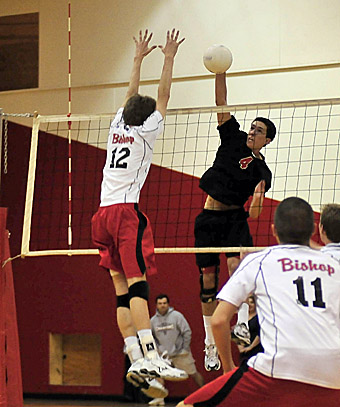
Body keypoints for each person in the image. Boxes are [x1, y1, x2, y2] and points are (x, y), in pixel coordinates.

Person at [91, 29, 186, 398]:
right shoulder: (148, 132)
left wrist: (138, 58)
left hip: (100, 215)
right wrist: (169, 56)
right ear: (146, 119)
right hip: (125, 215)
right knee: (136, 284)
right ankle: (149, 353)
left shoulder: (117, 125)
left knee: (119, 290)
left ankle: (134, 354)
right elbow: (162, 96)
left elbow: (132, 96)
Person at [177, 197, 340, 407]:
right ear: (313, 230)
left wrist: (228, 369)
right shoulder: (334, 264)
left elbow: (218, 321)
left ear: (273, 230)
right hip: (333, 371)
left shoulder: (260, 259)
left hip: (277, 367)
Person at [194, 71, 276, 370]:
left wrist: (256, 200)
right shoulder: (233, 138)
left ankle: (241, 324)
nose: (253, 132)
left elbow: (255, 215)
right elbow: (221, 102)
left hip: (234, 220)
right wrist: (220, 72)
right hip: (208, 219)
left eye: (259, 131)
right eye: (252, 127)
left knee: (235, 266)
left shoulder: (262, 172)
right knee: (208, 281)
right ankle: (209, 344)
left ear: (266, 140)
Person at [148, 294, 205, 406]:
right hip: (164, 354)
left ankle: (206, 394)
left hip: (180, 353)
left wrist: (184, 348)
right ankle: (159, 399)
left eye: (164, 303)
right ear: (156, 305)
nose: (162, 305)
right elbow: (151, 336)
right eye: (160, 303)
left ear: (168, 304)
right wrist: (157, 349)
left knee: (193, 373)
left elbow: (187, 332)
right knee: (157, 374)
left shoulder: (177, 316)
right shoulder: (153, 321)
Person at [236, 295, 263, 365]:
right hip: (244, 352)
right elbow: (238, 334)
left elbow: (260, 333)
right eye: (248, 303)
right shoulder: (242, 318)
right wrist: (241, 348)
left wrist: (250, 347)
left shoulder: (259, 317)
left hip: (257, 349)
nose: (250, 305)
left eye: (252, 303)